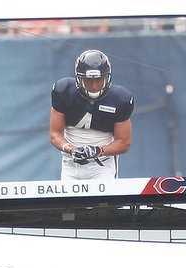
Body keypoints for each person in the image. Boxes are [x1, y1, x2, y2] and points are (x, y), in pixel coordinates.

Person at [50, 49, 134, 181]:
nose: (94, 86)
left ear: (107, 78)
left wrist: (98, 150)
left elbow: (124, 143)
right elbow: (55, 134)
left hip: (102, 164)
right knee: (69, 202)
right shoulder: (64, 91)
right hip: (70, 163)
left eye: (99, 80)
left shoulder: (120, 98)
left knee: (104, 201)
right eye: (89, 81)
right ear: (79, 78)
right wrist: (71, 150)